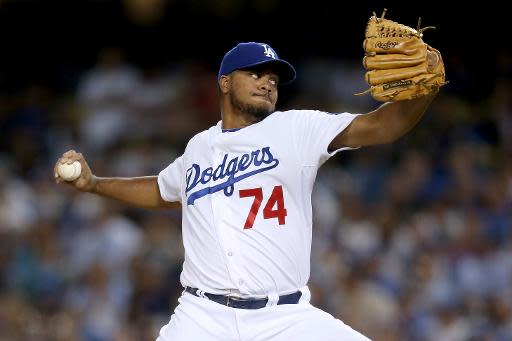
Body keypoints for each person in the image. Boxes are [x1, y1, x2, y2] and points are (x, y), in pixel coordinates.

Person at [55, 42, 440, 341]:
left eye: (273, 77)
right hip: (202, 317)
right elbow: (161, 189)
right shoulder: (199, 148)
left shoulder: (296, 129)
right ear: (224, 82)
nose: (267, 81)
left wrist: (426, 88)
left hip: (285, 318)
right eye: (255, 72)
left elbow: (383, 126)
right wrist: (94, 185)